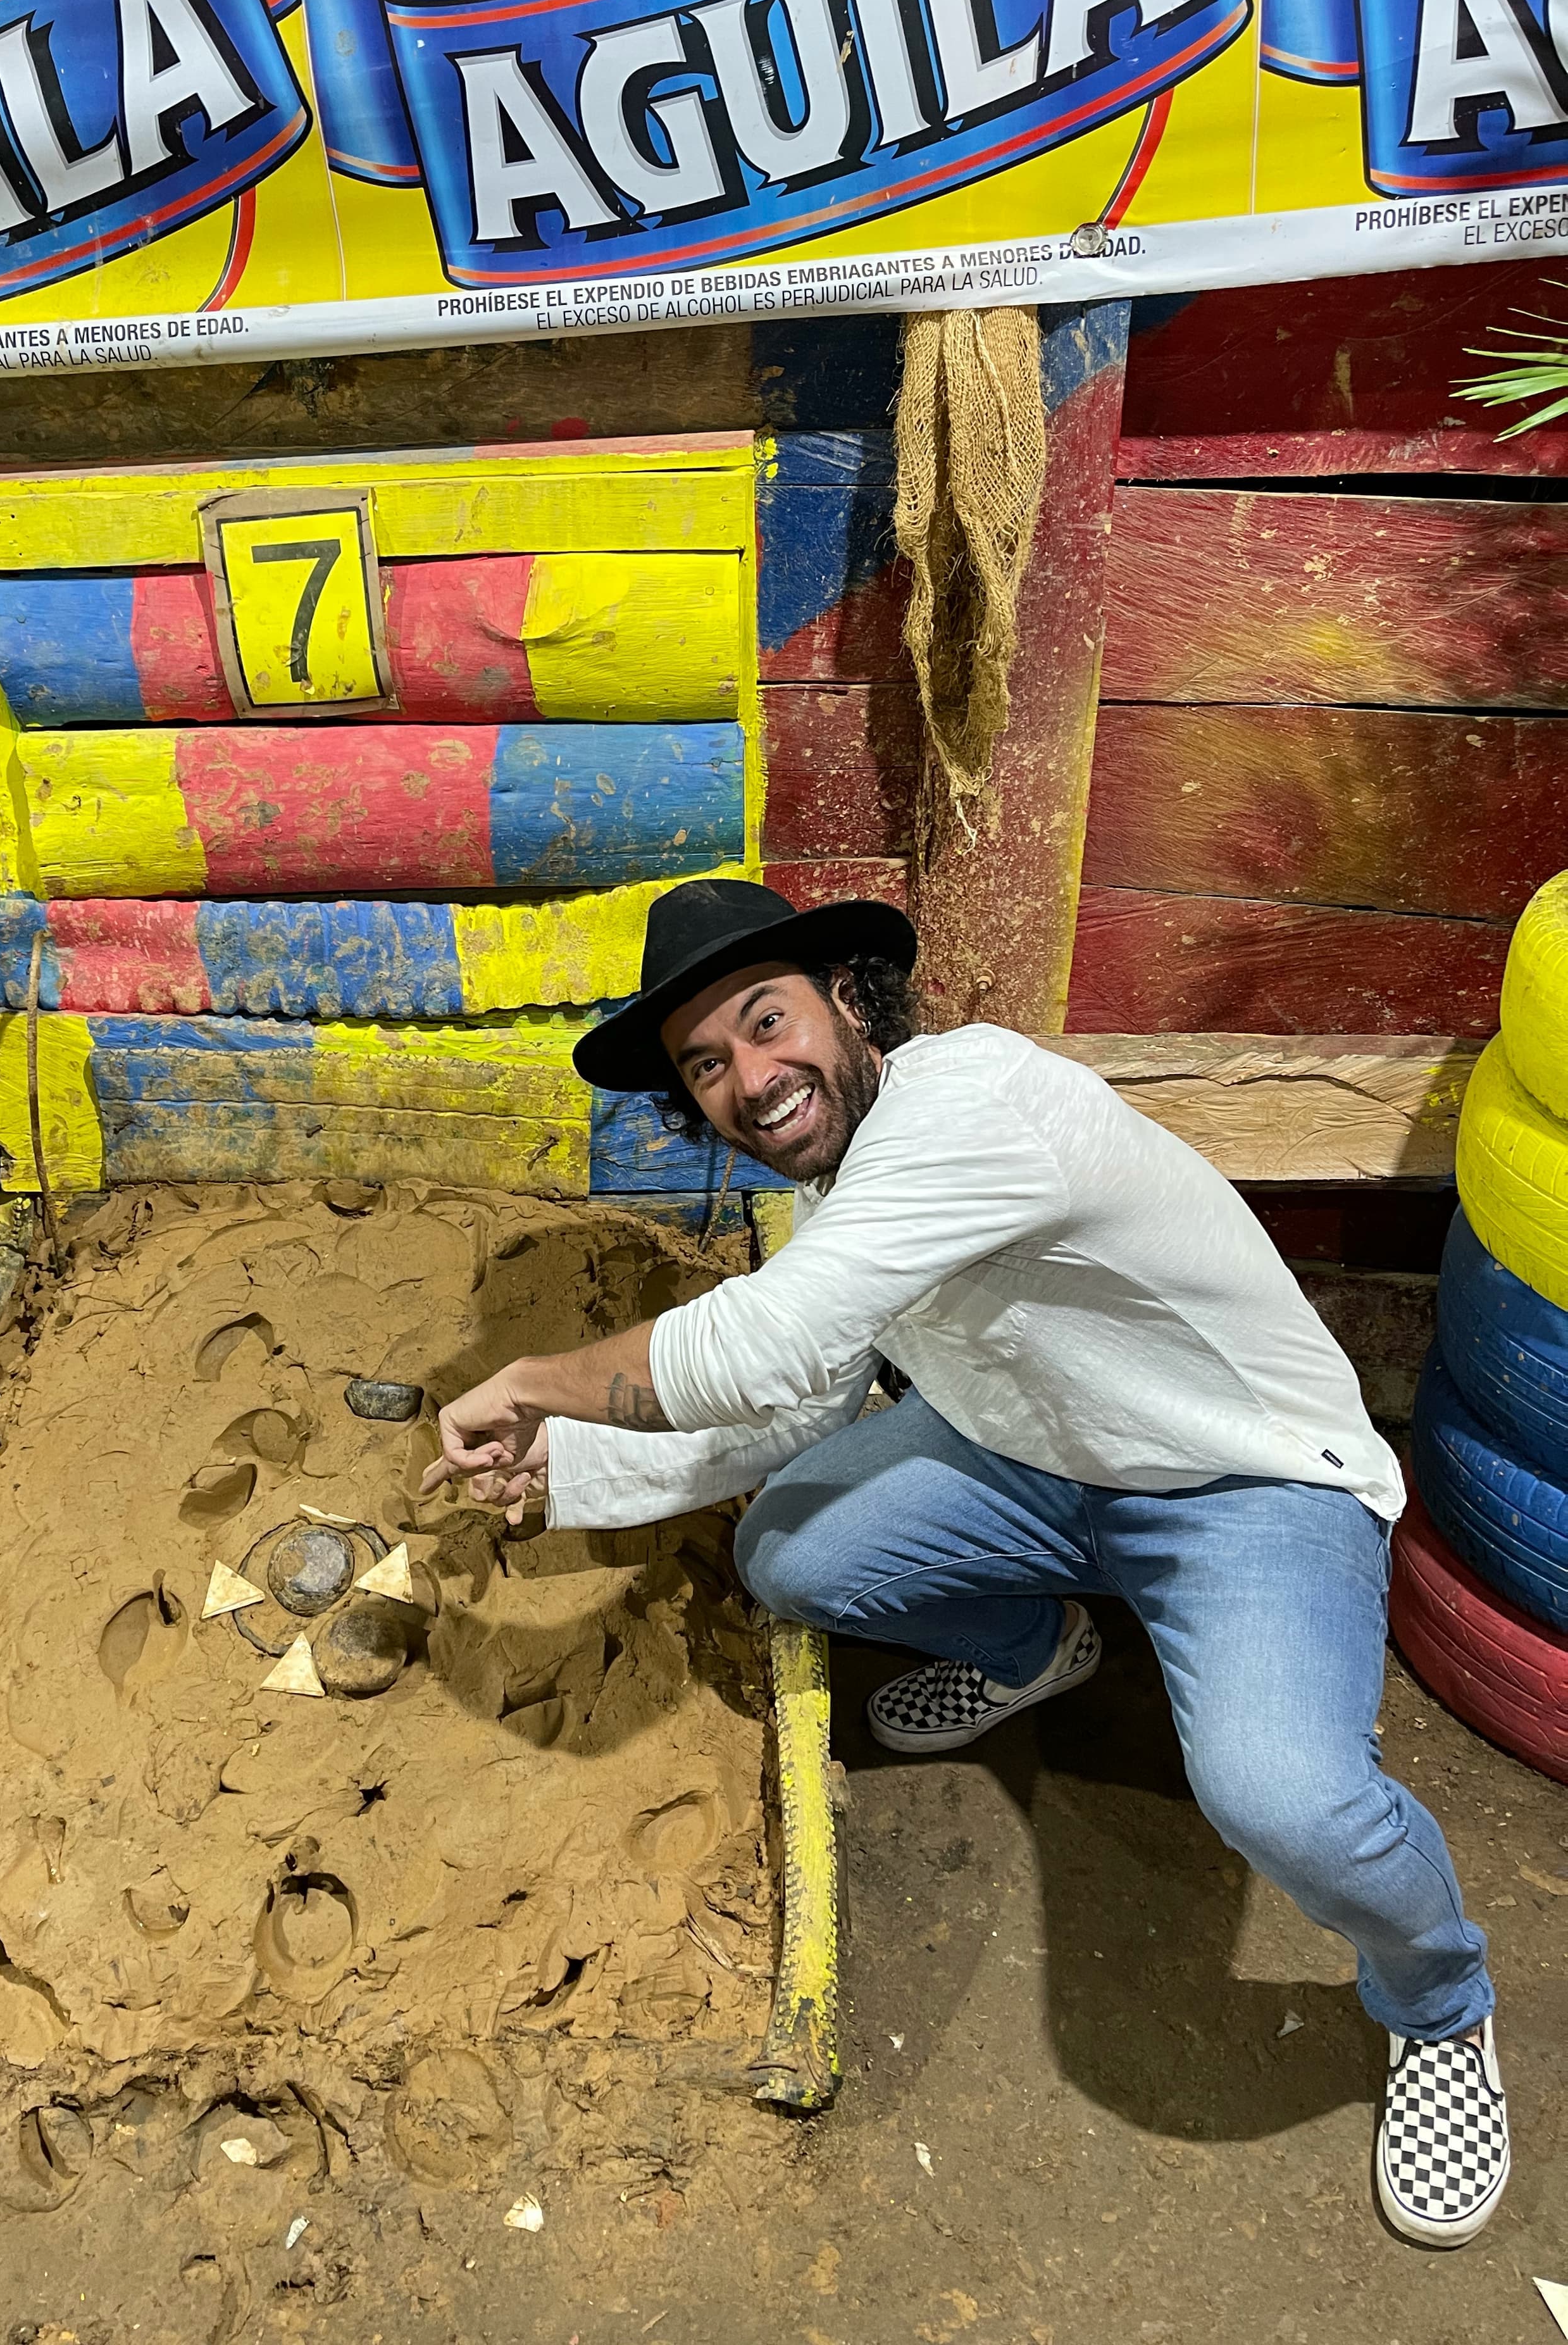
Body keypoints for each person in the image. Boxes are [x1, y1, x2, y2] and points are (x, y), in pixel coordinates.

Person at [421, 875, 1510, 2249]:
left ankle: (1443, 2002)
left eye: (767, 1025)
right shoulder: (849, 1200)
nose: (750, 1082)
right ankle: (1039, 1649)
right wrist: (563, 1477)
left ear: (854, 1005)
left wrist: (535, 1384)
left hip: (1242, 1485)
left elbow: (759, 1348)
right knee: (793, 1554)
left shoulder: (970, 1105)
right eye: (707, 1065)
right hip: (1036, 1459)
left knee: (1281, 1795)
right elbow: (798, 1399)